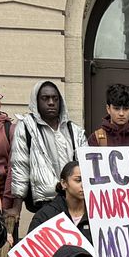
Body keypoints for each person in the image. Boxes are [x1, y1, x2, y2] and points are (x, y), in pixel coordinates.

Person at [11, 81, 84, 215]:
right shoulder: (26, 127)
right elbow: (20, 165)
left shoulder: (74, 130)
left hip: (73, 200)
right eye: (45, 98)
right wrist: (17, 207)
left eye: (55, 99)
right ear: (36, 102)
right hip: (45, 201)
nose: (51, 102)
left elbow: (86, 166)